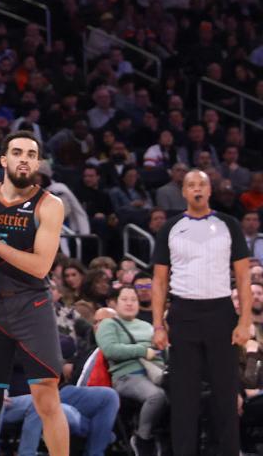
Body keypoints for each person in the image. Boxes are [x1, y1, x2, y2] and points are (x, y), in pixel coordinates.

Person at [0, 131, 69, 456]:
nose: (24, 158)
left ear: (38, 162)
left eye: (30, 153)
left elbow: (41, 266)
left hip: (32, 305)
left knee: (47, 397)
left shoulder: (50, 205)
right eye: (17, 152)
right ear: (3, 159)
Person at [151, 169, 252, 456]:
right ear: (183, 192)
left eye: (202, 184)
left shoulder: (228, 224)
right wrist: (158, 325)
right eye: (191, 185)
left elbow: (243, 278)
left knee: (225, 394)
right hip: (183, 313)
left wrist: (245, 320)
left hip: (221, 312)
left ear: (210, 191)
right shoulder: (170, 227)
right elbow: (159, 281)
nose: (196, 189)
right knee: (184, 397)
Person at [95, 284, 167, 456]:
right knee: (157, 396)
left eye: (133, 300)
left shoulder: (147, 325)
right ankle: (142, 438)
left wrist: (151, 350)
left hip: (156, 372)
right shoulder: (109, 325)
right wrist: (142, 350)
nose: (129, 303)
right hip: (127, 376)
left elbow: (160, 348)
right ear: (115, 303)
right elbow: (111, 350)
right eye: (125, 299)